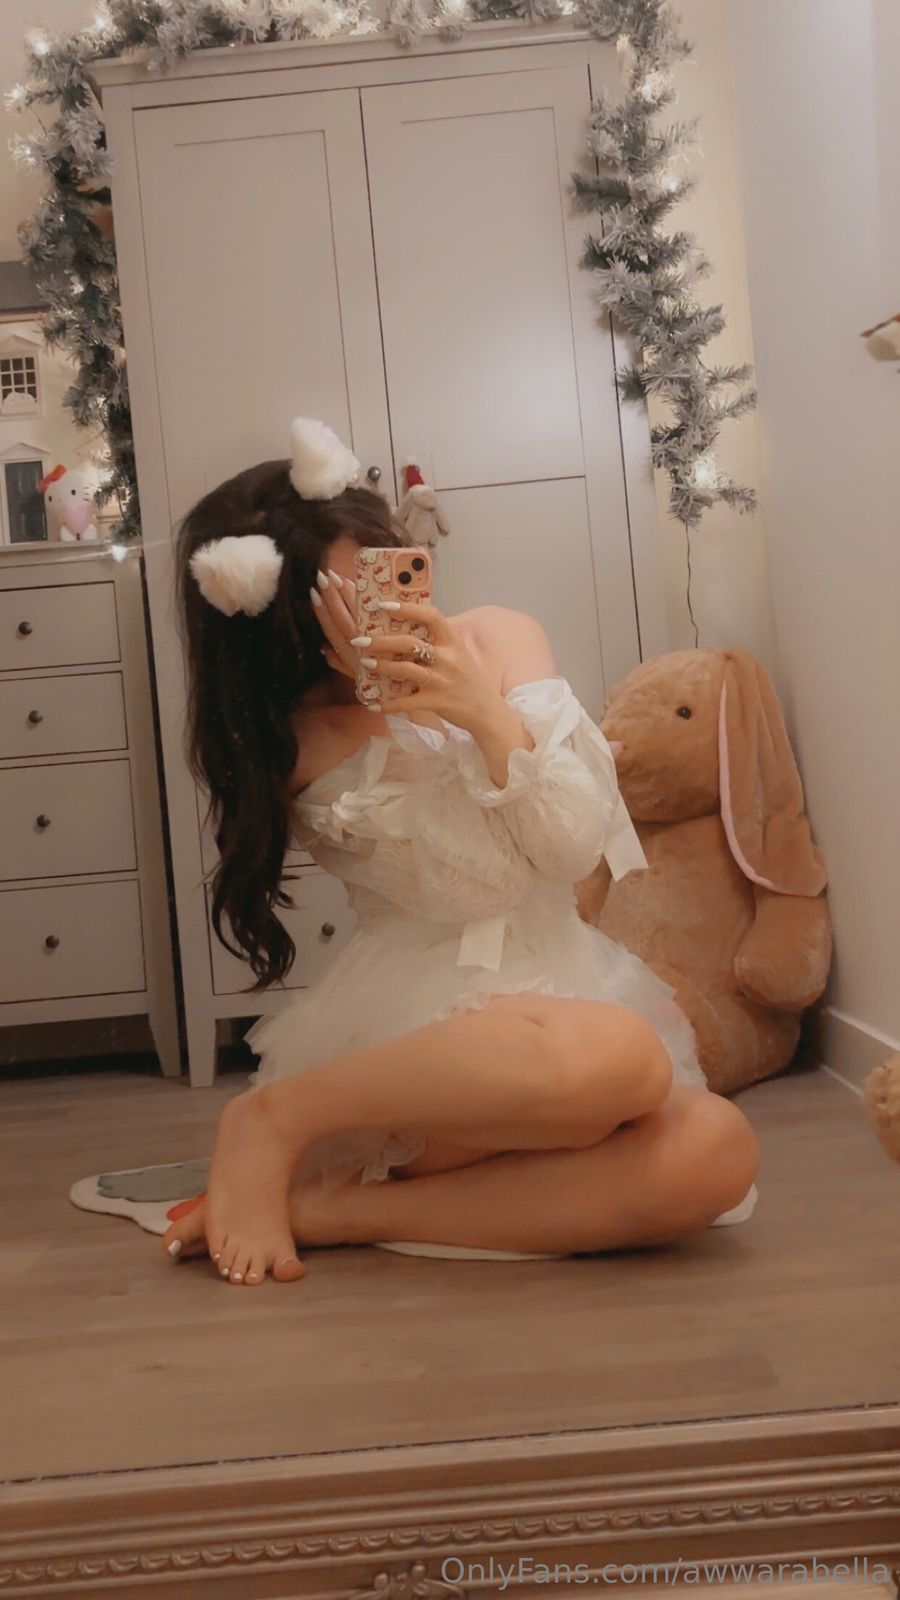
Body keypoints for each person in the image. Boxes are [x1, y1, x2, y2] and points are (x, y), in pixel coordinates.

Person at [162, 418, 759, 1285]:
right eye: (343, 604)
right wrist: (414, 717)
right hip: (428, 1037)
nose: (383, 616)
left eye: (384, 575)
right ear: (290, 627)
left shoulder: (500, 638)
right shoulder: (304, 740)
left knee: (717, 1148)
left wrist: (480, 708)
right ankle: (273, 1120)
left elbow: (570, 853)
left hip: (567, 999)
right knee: (618, 1059)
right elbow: (479, 885)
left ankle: (332, 1212)